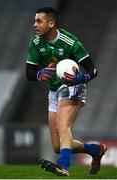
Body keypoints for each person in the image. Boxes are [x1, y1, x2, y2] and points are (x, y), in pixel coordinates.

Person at [26, 7, 107, 176]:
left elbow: (93, 70)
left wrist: (81, 78)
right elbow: (29, 73)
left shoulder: (71, 42)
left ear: (52, 23)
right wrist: (40, 74)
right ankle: (95, 150)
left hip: (73, 87)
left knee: (63, 126)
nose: (34, 25)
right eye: (35, 21)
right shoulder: (35, 43)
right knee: (58, 146)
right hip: (54, 90)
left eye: (39, 21)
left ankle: (63, 165)